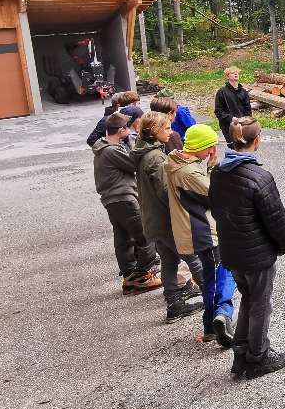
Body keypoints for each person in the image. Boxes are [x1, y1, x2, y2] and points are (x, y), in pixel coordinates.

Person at [210, 116, 285, 380]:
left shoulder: (219, 171)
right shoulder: (260, 177)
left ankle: (241, 352)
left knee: (248, 299)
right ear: (257, 141)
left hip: (232, 252)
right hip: (256, 255)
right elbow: (276, 218)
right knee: (261, 304)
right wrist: (284, 244)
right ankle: (258, 357)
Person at [166, 123, 236, 347]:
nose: (212, 153)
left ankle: (215, 320)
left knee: (215, 275)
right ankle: (215, 320)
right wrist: (214, 169)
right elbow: (213, 195)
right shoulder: (188, 172)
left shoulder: (178, 162)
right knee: (217, 277)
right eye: (210, 148)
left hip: (197, 229)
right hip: (203, 231)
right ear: (200, 146)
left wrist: (207, 166)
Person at [133, 112, 204, 323]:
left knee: (169, 261)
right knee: (194, 258)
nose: (171, 132)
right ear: (155, 131)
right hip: (166, 220)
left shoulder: (145, 152)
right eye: (167, 128)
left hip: (154, 220)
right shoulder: (155, 157)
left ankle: (174, 303)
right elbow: (166, 192)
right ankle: (215, 299)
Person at [93, 112, 161, 295]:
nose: (130, 131)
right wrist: (145, 147)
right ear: (121, 130)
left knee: (123, 237)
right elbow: (134, 164)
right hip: (124, 198)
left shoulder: (103, 147)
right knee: (145, 234)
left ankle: (129, 275)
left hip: (112, 200)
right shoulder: (111, 151)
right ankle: (143, 274)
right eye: (128, 128)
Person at [214, 66, 252, 142]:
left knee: (244, 147)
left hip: (243, 125)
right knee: (233, 148)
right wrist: (231, 118)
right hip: (228, 126)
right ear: (227, 77)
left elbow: (248, 109)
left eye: (237, 73)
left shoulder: (243, 92)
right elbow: (218, 111)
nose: (236, 74)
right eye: (233, 73)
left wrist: (248, 121)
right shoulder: (222, 92)